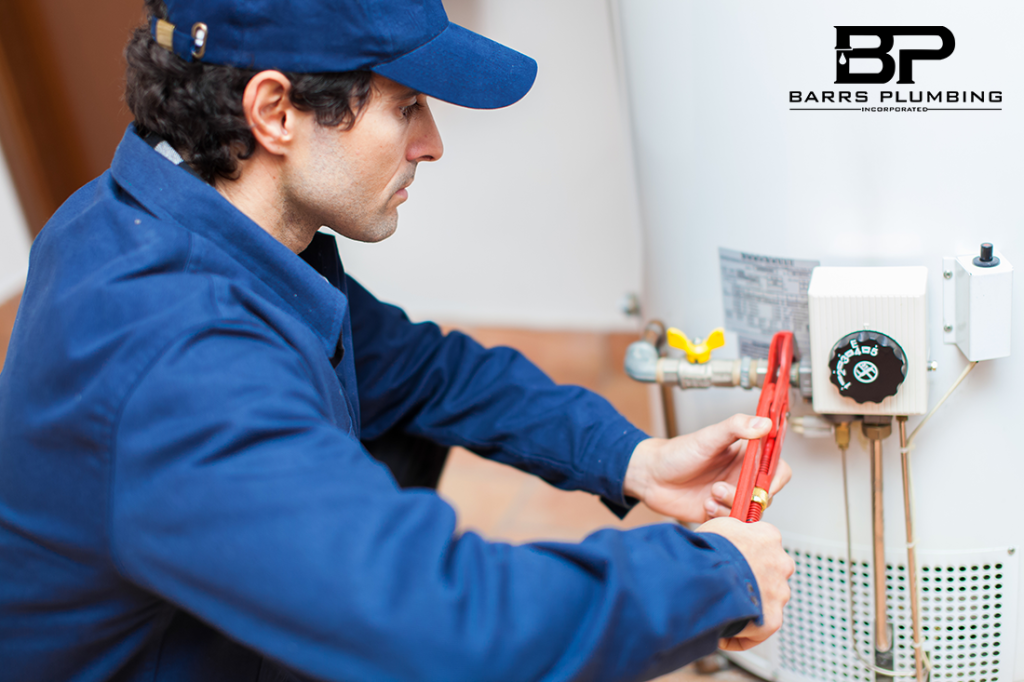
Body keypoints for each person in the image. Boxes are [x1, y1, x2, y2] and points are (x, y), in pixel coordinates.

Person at [0, 0, 795, 680]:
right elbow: (448, 628)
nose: (432, 142)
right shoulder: (178, 361)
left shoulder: (156, 213)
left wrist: (631, 459)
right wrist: (713, 580)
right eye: (406, 104)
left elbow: (423, 371)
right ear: (275, 113)